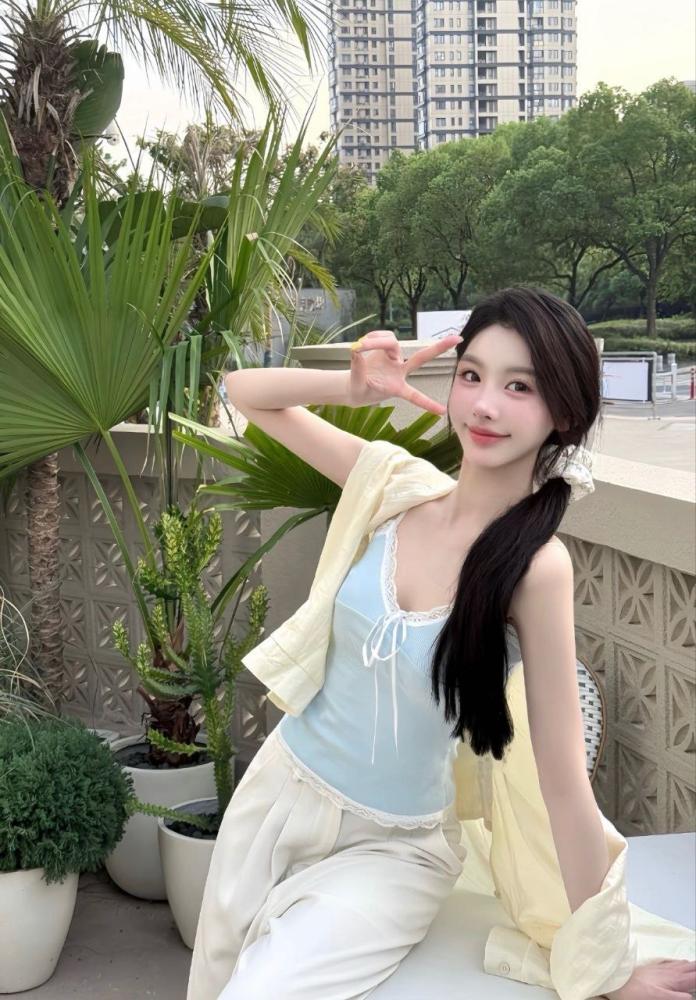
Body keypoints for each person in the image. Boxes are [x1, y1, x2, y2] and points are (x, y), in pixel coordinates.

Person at [187, 287, 696, 1000]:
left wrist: (609, 969)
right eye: (472, 375)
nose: (484, 405)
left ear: (564, 414)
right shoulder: (393, 485)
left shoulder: (535, 569)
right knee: (215, 978)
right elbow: (245, 393)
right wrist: (354, 387)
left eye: (520, 387)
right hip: (276, 798)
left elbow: (563, 783)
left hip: (392, 851)